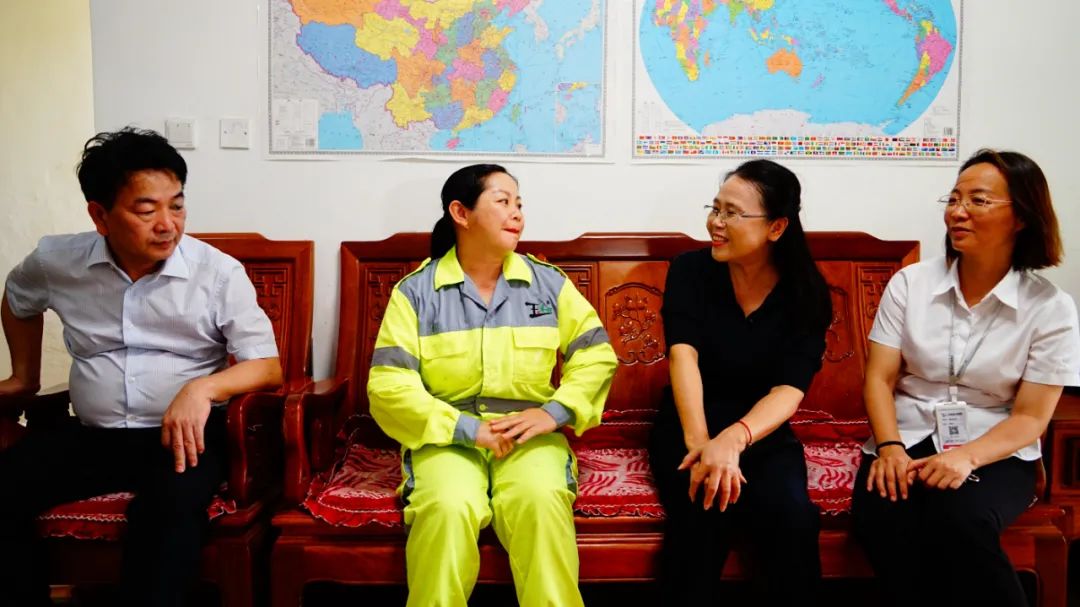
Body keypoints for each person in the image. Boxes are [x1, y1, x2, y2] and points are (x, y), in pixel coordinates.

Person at [0, 127, 283, 607]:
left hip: (183, 442)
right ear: (100, 215)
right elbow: (17, 298)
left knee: (167, 511)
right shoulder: (56, 261)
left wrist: (202, 389)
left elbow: (266, 366)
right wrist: (24, 377)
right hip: (93, 436)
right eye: (147, 210)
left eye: (177, 206)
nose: (168, 225)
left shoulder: (217, 272)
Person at [367, 164, 617, 607]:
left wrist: (553, 413)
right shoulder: (416, 293)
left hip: (528, 436)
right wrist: (467, 429)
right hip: (446, 437)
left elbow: (596, 355)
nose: (517, 213)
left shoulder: (548, 284)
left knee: (540, 500)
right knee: (447, 506)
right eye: (503, 201)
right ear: (461, 213)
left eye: (519, 203)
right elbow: (389, 385)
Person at [852, 149, 1080, 607]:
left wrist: (966, 458)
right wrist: (890, 447)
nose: (958, 212)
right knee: (882, 514)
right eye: (954, 199)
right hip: (906, 434)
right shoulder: (911, 284)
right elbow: (879, 378)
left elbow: (1031, 417)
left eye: (978, 200)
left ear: (1022, 217)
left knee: (962, 519)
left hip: (996, 446)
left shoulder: (1050, 308)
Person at [649, 159, 832, 605]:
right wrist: (701, 446)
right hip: (689, 423)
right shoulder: (690, 271)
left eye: (732, 213)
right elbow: (683, 357)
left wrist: (734, 439)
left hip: (761, 431)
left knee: (791, 517)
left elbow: (788, 390)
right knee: (703, 510)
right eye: (716, 209)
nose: (716, 222)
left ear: (776, 227)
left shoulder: (806, 293)